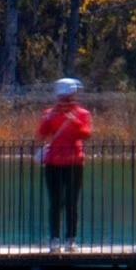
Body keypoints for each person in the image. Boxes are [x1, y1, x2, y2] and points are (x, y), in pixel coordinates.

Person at [35, 77, 93, 245]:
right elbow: (41, 135)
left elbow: (86, 134)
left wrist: (75, 123)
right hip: (53, 162)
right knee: (55, 202)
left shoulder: (83, 114)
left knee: (71, 202)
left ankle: (71, 239)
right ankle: (54, 238)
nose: (65, 102)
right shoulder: (49, 113)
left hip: (74, 162)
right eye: (63, 99)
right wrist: (49, 119)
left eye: (68, 98)